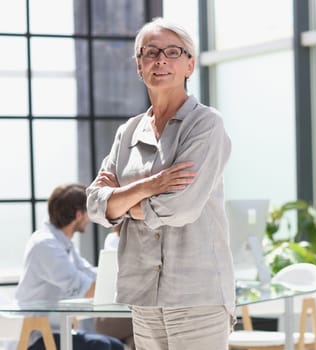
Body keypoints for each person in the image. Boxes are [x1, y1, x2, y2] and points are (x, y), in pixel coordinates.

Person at [86, 17, 235, 350]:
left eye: (172, 52)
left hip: (196, 293)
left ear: (190, 64)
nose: (160, 60)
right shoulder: (128, 132)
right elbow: (95, 204)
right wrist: (150, 185)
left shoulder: (205, 125)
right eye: (150, 52)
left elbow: (180, 207)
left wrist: (122, 203)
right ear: (139, 65)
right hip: (143, 294)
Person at [15, 183, 124, 350]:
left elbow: (91, 275)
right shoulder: (45, 245)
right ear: (79, 214)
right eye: (89, 212)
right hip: (41, 335)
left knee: (114, 345)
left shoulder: (64, 245)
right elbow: (85, 287)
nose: (90, 218)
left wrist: (120, 276)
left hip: (61, 331)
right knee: (103, 347)